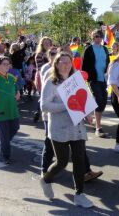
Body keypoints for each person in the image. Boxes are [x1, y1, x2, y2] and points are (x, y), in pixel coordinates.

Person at [38, 52, 94, 208]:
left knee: (79, 160)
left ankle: (79, 194)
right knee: (62, 162)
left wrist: (88, 114)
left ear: (72, 64)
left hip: (77, 127)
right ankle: (46, 179)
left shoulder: (76, 80)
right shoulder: (51, 82)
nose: (65, 65)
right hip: (59, 128)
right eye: (62, 62)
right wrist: (66, 106)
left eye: (68, 62)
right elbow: (44, 106)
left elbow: (85, 100)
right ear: (56, 64)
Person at [82, 30, 110, 138]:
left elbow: (107, 62)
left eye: (100, 36)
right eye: (96, 36)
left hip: (104, 78)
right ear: (93, 37)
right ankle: (98, 128)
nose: (98, 38)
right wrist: (87, 78)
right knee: (99, 99)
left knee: (103, 101)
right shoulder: (89, 49)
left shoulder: (105, 49)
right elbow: (84, 66)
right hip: (93, 79)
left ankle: (93, 117)